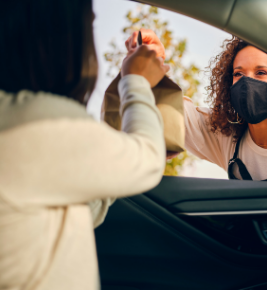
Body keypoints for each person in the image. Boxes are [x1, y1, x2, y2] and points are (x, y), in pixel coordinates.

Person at [0, 1, 169, 289]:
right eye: (89, 24)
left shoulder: (17, 120)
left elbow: (96, 191)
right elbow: (148, 159)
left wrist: (128, 82)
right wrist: (136, 82)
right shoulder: (32, 123)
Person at [127, 31, 267, 181]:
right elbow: (170, 110)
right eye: (238, 74)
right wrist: (153, 61)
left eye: (261, 72)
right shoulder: (226, 137)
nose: (247, 83)